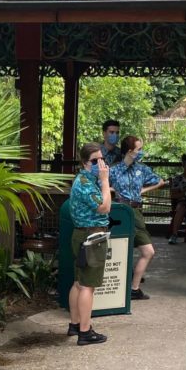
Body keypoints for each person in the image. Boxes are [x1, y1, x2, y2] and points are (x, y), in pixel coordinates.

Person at [108, 135, 167, 300]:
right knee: (122, 250)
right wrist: (113, 190)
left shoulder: (142, 169)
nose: (141, 152)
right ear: (129, 151)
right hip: (120, 210)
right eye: (138, 149)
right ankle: (124, 289)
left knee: (147, 251)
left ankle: (134, 288)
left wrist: (143, 191)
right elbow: (102, 183)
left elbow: (160, 181)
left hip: (136, 211)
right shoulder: (115, 169)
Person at [66, 142, 111, 346]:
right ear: (85, 162)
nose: (100, 164)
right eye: (95, 161)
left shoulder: (84, 179)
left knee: (78, 281)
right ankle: (85, 331)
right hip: (92, 236)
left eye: (102, 159)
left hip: (82, 234)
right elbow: (104, 207)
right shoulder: (86, 183)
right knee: (88, 286)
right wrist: (105, 181)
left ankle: (75, 324)